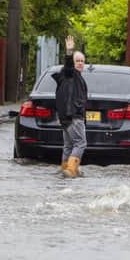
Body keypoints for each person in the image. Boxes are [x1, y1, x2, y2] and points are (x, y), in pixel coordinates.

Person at [53, 36, 88, 178]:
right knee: (81, 143)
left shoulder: (75, 77)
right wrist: (69, 51)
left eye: (82, 61)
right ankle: (71, 170)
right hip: (73, 116)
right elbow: (68, 67)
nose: (80, 63)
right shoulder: (70, 74)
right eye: (77, 61)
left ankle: (64, 169)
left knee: (68, 145)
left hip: (66, 118)